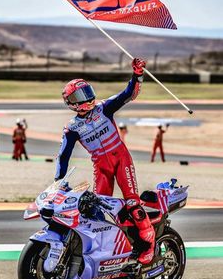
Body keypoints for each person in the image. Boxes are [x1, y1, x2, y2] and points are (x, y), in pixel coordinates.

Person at [55, 58, 155, 265]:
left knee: (132, 203)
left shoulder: (104, 108)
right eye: (80, 95)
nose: (87, 97)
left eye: (87, 91)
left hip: (121, 160)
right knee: (96, 208)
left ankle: (149, 243)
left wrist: (137, 74)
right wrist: (58, 181)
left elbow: (129, 94)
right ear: (70, 102)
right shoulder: (72, 127)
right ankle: (108, 247)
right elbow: (63, 155)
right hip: (101, 166)